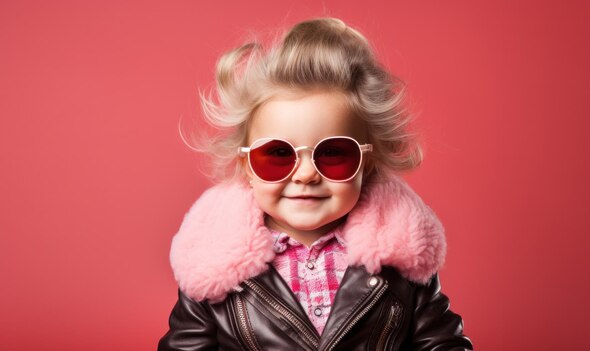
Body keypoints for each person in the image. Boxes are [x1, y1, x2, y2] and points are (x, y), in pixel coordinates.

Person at [158, 17, 473, 351]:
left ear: (367, 163)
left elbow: (442, 343)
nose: (306, 174)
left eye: (334, 153)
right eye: (278, 153)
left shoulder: (401, 260)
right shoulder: (213, 263)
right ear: (246, 167)